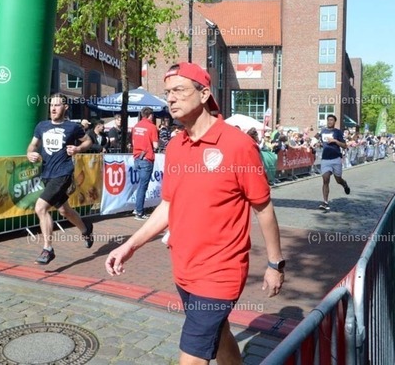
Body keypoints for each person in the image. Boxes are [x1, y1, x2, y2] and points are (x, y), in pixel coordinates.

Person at [106, 62, 285, 364]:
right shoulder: (176, 146)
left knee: (191, 356)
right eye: (167, 92)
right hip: (184, 267)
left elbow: (263, 208)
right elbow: (168, 206)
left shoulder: (239, 145)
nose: (170, 98)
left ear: (204, 95)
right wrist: (129, 245)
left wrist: (275, 263)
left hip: (220, 272)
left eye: (179, 90)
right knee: (220, 333)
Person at [26, 93, 94, 265]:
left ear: (65, 107)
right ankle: (86, 229)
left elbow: (88, 141)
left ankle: (48, 249)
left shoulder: (72, 127)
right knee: (64, 211)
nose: (53, 109)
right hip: (47, 174)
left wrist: (78, 149)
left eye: (57, 105)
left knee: (41, 208)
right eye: (51, 105)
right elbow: (33, 145)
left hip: (63, 174)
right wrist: (30, 153)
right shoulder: (42, 126)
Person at [131, 107, 158, 221]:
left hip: (137, 157)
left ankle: (138, 208)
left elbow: (133, 142)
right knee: (143, 186)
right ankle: (139, 211)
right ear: (150, 115)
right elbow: (155, 145)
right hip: (147, 158)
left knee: (140, 185)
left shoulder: (136, 126)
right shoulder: (152, 127)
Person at [319, 114, 350, 211]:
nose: (329, 122)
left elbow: (344, 146)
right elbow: (317, 140)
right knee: (325, 179)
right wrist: (317, 143)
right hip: (325, 159)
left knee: (338, 180)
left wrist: (335, 141)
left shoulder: (337, 132)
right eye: (328, 120)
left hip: (336, 159)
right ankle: (325, 202)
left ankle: (344, 184)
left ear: (334, 122)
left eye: (331, 120)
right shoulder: (323, 131)